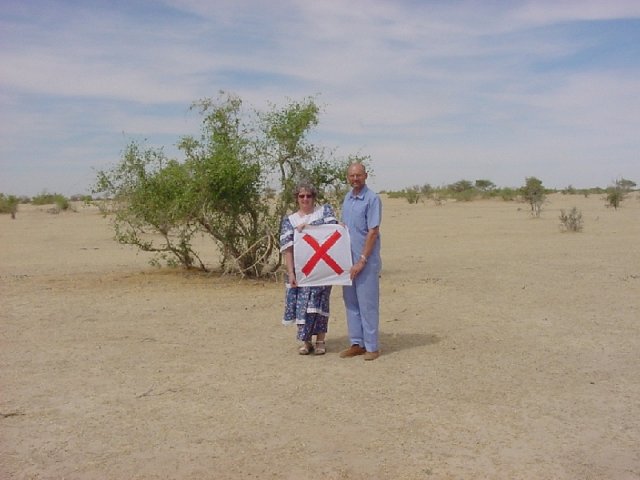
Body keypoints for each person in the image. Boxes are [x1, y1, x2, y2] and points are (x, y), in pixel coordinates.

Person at [280, 182, 339, 355]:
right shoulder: (290, 221)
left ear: (314, 197)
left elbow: (332, 230)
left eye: (309, 195)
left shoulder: (324, 213)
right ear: (296, 198)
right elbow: (288, 249)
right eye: (301, 196)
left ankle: (320, 341)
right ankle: (306, 342)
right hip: (302, 271)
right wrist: (291, 272)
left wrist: (309, 228)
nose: (305, 199)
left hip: (322, 269)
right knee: (303, 306)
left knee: (320, 304)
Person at [340, 162, 382, 361]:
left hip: (365, 262)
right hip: (348, 263)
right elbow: (344, 228)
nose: (355, 179)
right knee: (351, 303)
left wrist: (362, 260)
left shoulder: (372, 199)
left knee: (367, 304)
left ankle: (372, 346)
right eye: (351, 176)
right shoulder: (347, 199)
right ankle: (357, 343)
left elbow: (373, 232)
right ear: (348, 178)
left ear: (365, 176)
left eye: (358, 175)